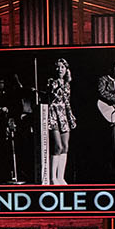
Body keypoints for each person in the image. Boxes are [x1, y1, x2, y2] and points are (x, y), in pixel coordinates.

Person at [43, 57, 78, 185]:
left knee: (65, 146)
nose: (60, 69)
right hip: (53, 114)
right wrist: (56, 84)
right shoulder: (51, 81)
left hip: (64, 115)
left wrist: (71, 116)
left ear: (66, 69)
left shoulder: (67, 84)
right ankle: (53, 178)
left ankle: (60, 176)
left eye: (62, 67)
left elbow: (67, 102)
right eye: (58, 67)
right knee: (57, 146)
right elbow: (51, 96)